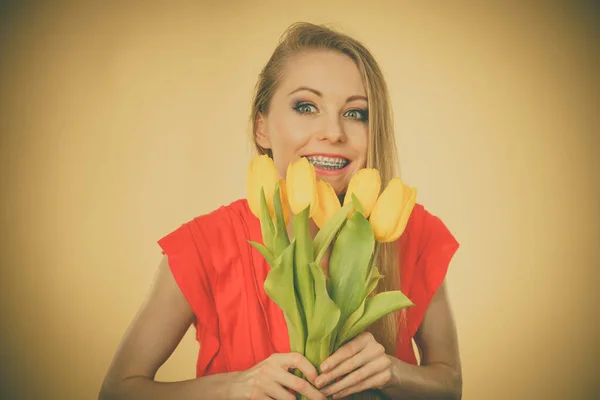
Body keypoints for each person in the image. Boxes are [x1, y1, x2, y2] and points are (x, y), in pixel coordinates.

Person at [99, 22, 462, 400]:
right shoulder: (205, 246)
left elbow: (450, 386)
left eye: (356, 113)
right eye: (306, 107)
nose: (334, 132)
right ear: (262, 129)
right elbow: (117, 391)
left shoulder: (411, 233)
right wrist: (235, 386)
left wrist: (393, 371)